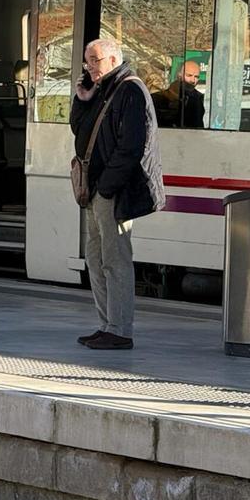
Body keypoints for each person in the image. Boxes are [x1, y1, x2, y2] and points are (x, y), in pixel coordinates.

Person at [69, 38, 165, 350]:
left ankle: (120, 330)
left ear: (113, 59)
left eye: (95, 60)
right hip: (95, 189)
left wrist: (107, 186)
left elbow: (132, 145)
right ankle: (106, 324)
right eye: (88, 61)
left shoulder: (131, 90)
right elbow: (78, 129)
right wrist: (83, 99)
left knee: (115, 260)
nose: (90, 67)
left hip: (112, 192)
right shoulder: (103, 89)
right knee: (96, 259)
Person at [151, 60, 205, 129]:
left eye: (196, 77)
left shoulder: (197, 99)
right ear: (179, 75)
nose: (193, 80)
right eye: (189, 75)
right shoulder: (158, 98)